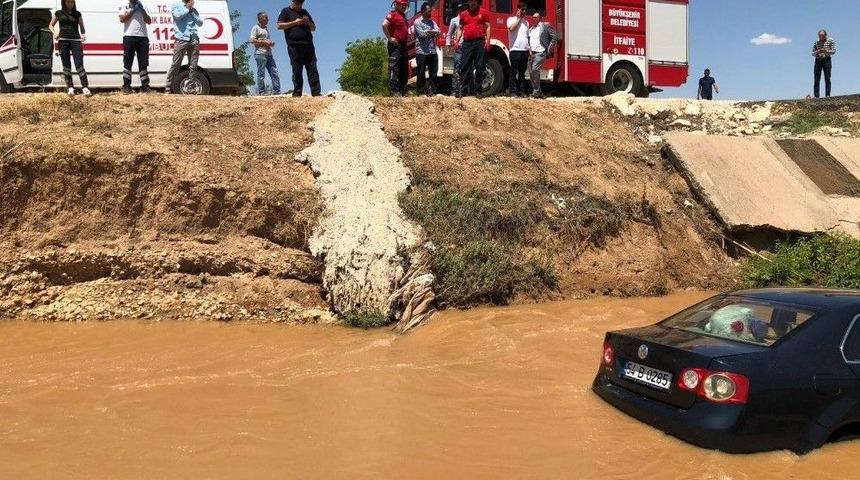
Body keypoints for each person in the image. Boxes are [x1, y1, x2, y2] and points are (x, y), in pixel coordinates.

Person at [277, 0, 321, 97]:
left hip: (308, 44)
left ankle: (316, 92)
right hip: (294, 45)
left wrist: (307, 22)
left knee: (312, 68)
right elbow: (279, 26)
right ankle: (297, 93)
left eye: (301, 3)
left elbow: (313, 28)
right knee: (297, 69)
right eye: (298, 3)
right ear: (292, 2)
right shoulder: (285, 11)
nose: (299, 6)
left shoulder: (305, 12)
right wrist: (295, 22)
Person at [50, 0, 90, 97]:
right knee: (66, 65)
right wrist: (55, 33)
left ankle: (85, 87)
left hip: (76, 41)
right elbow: (50, 25)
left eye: (72, 2)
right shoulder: (59, 13)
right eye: (68, 2)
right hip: (63, 40)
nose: (70, 4)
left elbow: (82, 27)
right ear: (64, 2)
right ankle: (70, 87)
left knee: (79, 63)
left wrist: (83, 34)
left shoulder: (77, 14)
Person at [455, 0, 491, 98]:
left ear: (477, 2)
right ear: (468, 2)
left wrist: (488, 41)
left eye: (474, 1)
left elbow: (488, 26)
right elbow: (460, 28)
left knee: (480, 66)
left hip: (480, 42)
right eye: (471, 1)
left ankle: (478, 91)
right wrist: (457, 41)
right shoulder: (463, 14)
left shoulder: (483, 12)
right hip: (467, 43)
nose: (472, 3)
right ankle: (463, 89)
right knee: (464, 66)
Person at [165, 0, 202, 94]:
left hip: (194, 39)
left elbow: (200, 23)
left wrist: (192, 11)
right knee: (176, 64)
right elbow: (177, 16)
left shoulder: (193, 10)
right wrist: (187, 9)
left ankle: (190, 87)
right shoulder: (176, 5)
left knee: (193, 65)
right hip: (181, 39)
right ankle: (168, 87)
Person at [118, 0, 152, 94]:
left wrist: (141, 10)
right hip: (129, 36)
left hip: (143, 37)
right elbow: (122, 19)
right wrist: (133, 10)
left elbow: (149, 21)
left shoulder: (143, 5)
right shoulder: (124, 5)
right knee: (128, 62)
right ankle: (126, 86)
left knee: (143, 63)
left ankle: (145, 86)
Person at [382, 0, 410, 97]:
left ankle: (403, 90)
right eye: (402, 5)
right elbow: (384, 24)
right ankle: (394, 91)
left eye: (405, 5)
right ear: (397, 5)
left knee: (404, 68)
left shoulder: (403, 16)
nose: (404, 7)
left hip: (403, 45)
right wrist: (390, 38)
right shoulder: (393, 14)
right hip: (395, 45)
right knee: (394, 67)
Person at [413, 2, 441, 96]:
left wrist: (430, 32)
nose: (430, 13)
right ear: (423, 11)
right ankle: (420, 92)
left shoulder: (432, 22)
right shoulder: (417, 22)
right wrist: (431, 32)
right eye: (429, 11)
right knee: (421, 73)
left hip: (432, 51)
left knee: (433, 72)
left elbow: (439, 31)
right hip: (421, 51)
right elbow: (422, 35)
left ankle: (432, 91)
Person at [527, 11, 557, 99]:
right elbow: (529, 40)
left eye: (536, 17)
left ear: (540, 18)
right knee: (531, 72)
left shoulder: (545, 26)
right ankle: (538, 92)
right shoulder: (531, 29)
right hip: (531, 53)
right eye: (533, 17)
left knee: (535, 69)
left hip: (540, 52)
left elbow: (554, 37)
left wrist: (548, 49)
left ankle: (536, 92)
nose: (534, 19)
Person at [251, 12, 281, 95]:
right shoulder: (255, 28)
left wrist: (270, 43)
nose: (268, 19)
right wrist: (265, 42)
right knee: (261, 73)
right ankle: (261, 91)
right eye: (266, 18)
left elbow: (265, 41)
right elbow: (252, 40)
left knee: (274, 72)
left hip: (269, 53)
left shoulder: (266, 29)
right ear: (260, 18)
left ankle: (277, 91)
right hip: (260, 53)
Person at [506, 3, 529, 98]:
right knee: (513, 71)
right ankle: (513, 91)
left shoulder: (526, 23)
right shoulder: (511, 19)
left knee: (522, 72)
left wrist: (529, 49)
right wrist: (519, 19)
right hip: (515, 49)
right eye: (522, 10)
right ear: (518, 10)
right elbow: (511, 29)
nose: (524, 12)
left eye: (525, 10)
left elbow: (527, 36)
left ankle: (521, 91)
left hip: (525, 50)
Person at [446, 3, 467, 96]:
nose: (463, 11)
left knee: (466, 69)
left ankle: (464, 90)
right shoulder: (454, 20)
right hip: (458, 47)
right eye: (461, 9)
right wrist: (448, 44)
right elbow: (449, 34)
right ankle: (454, 90)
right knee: (456, 69)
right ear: (459, 10)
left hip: (467, 47)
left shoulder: (468, 19)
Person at [812, 29, 836, 98]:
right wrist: (818, 51)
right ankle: (816, 96)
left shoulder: (830, 40)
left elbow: (834, 51)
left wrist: (826, 51)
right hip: (818, 60)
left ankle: (827, 95)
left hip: (827, 60)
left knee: (827, 78)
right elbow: (812, 53)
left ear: (825, 35)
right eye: (820, 36)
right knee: (816, 79)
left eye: (822, 36)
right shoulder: (816, 42)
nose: (821, 38)